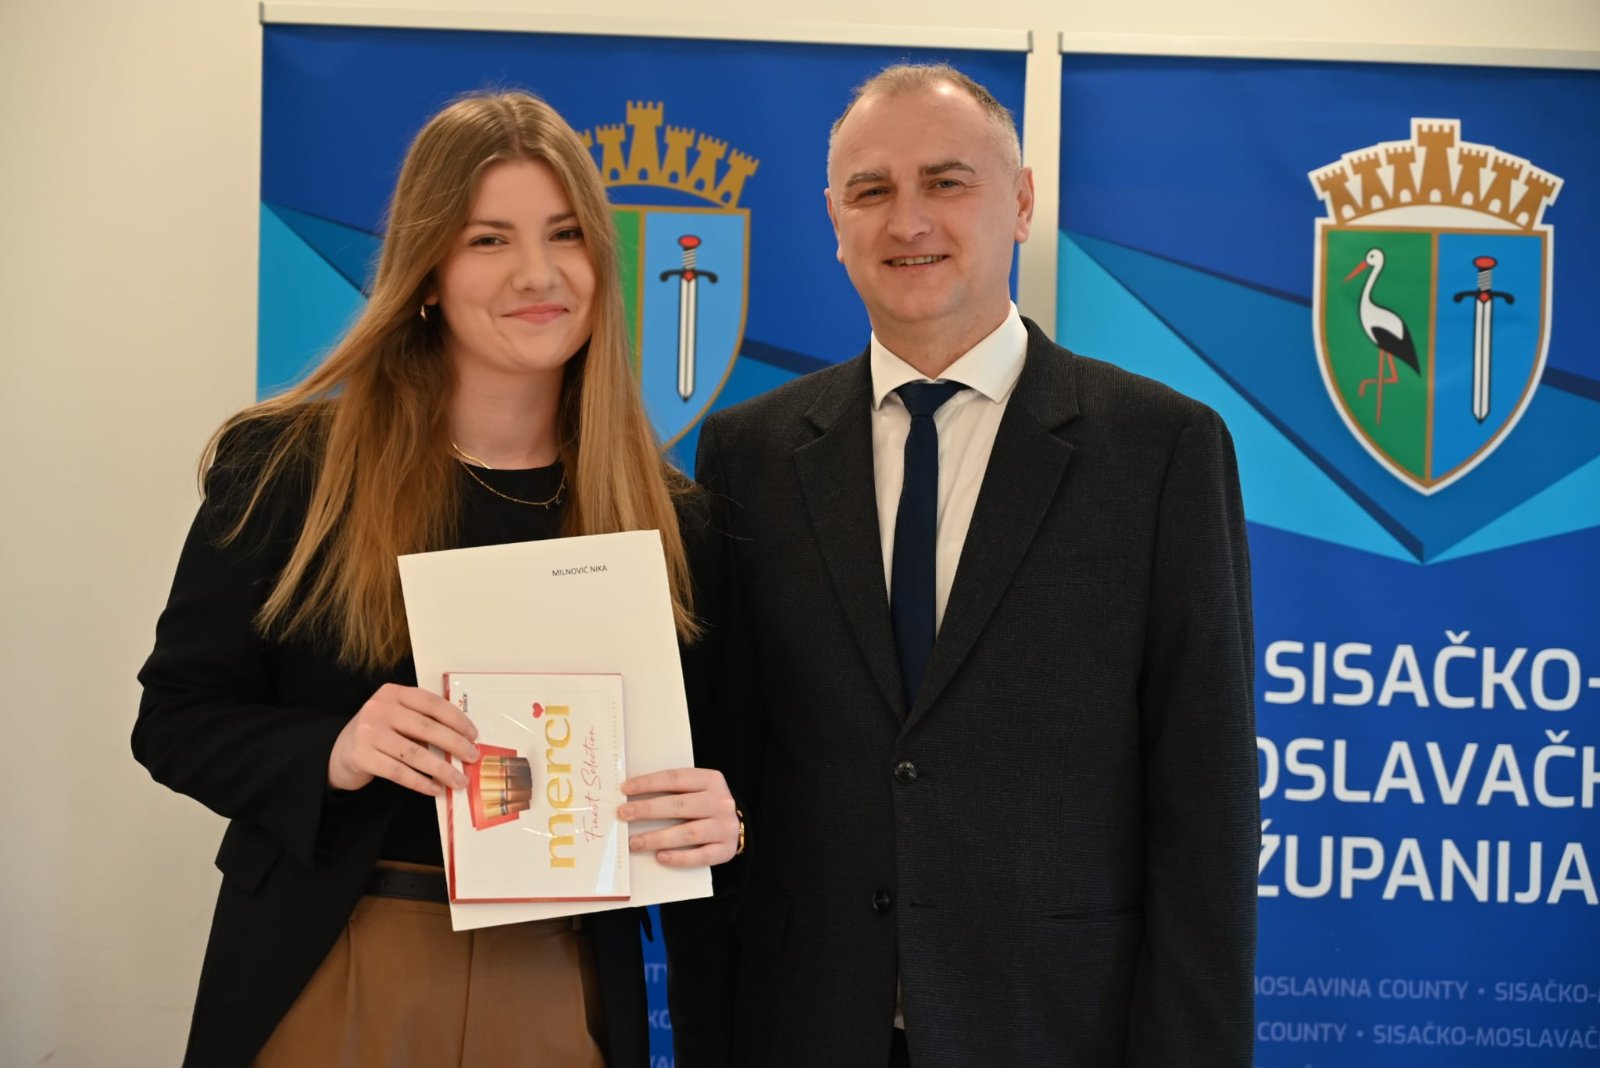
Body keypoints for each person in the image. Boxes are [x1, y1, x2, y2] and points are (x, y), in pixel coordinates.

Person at [133, 90, 740, 1068]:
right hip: (338, 960)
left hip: (565, 978)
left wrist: (721, 817)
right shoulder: (291, 470)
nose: (538, 273)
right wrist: (336, 748)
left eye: (566, 235)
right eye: (488, 240)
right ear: (426, 275)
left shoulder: (674, 519)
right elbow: (174, 720)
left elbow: (718, 765)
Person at [686, 64, 1258, 1066]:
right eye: (871, 190)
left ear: (1022, 203)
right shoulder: (750, 454)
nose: (907, 220)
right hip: (804, 1024)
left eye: (947, 182)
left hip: (1056, 1030)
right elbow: (722, 772)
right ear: (834, 221)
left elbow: (1204, 803)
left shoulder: (1161, 450)